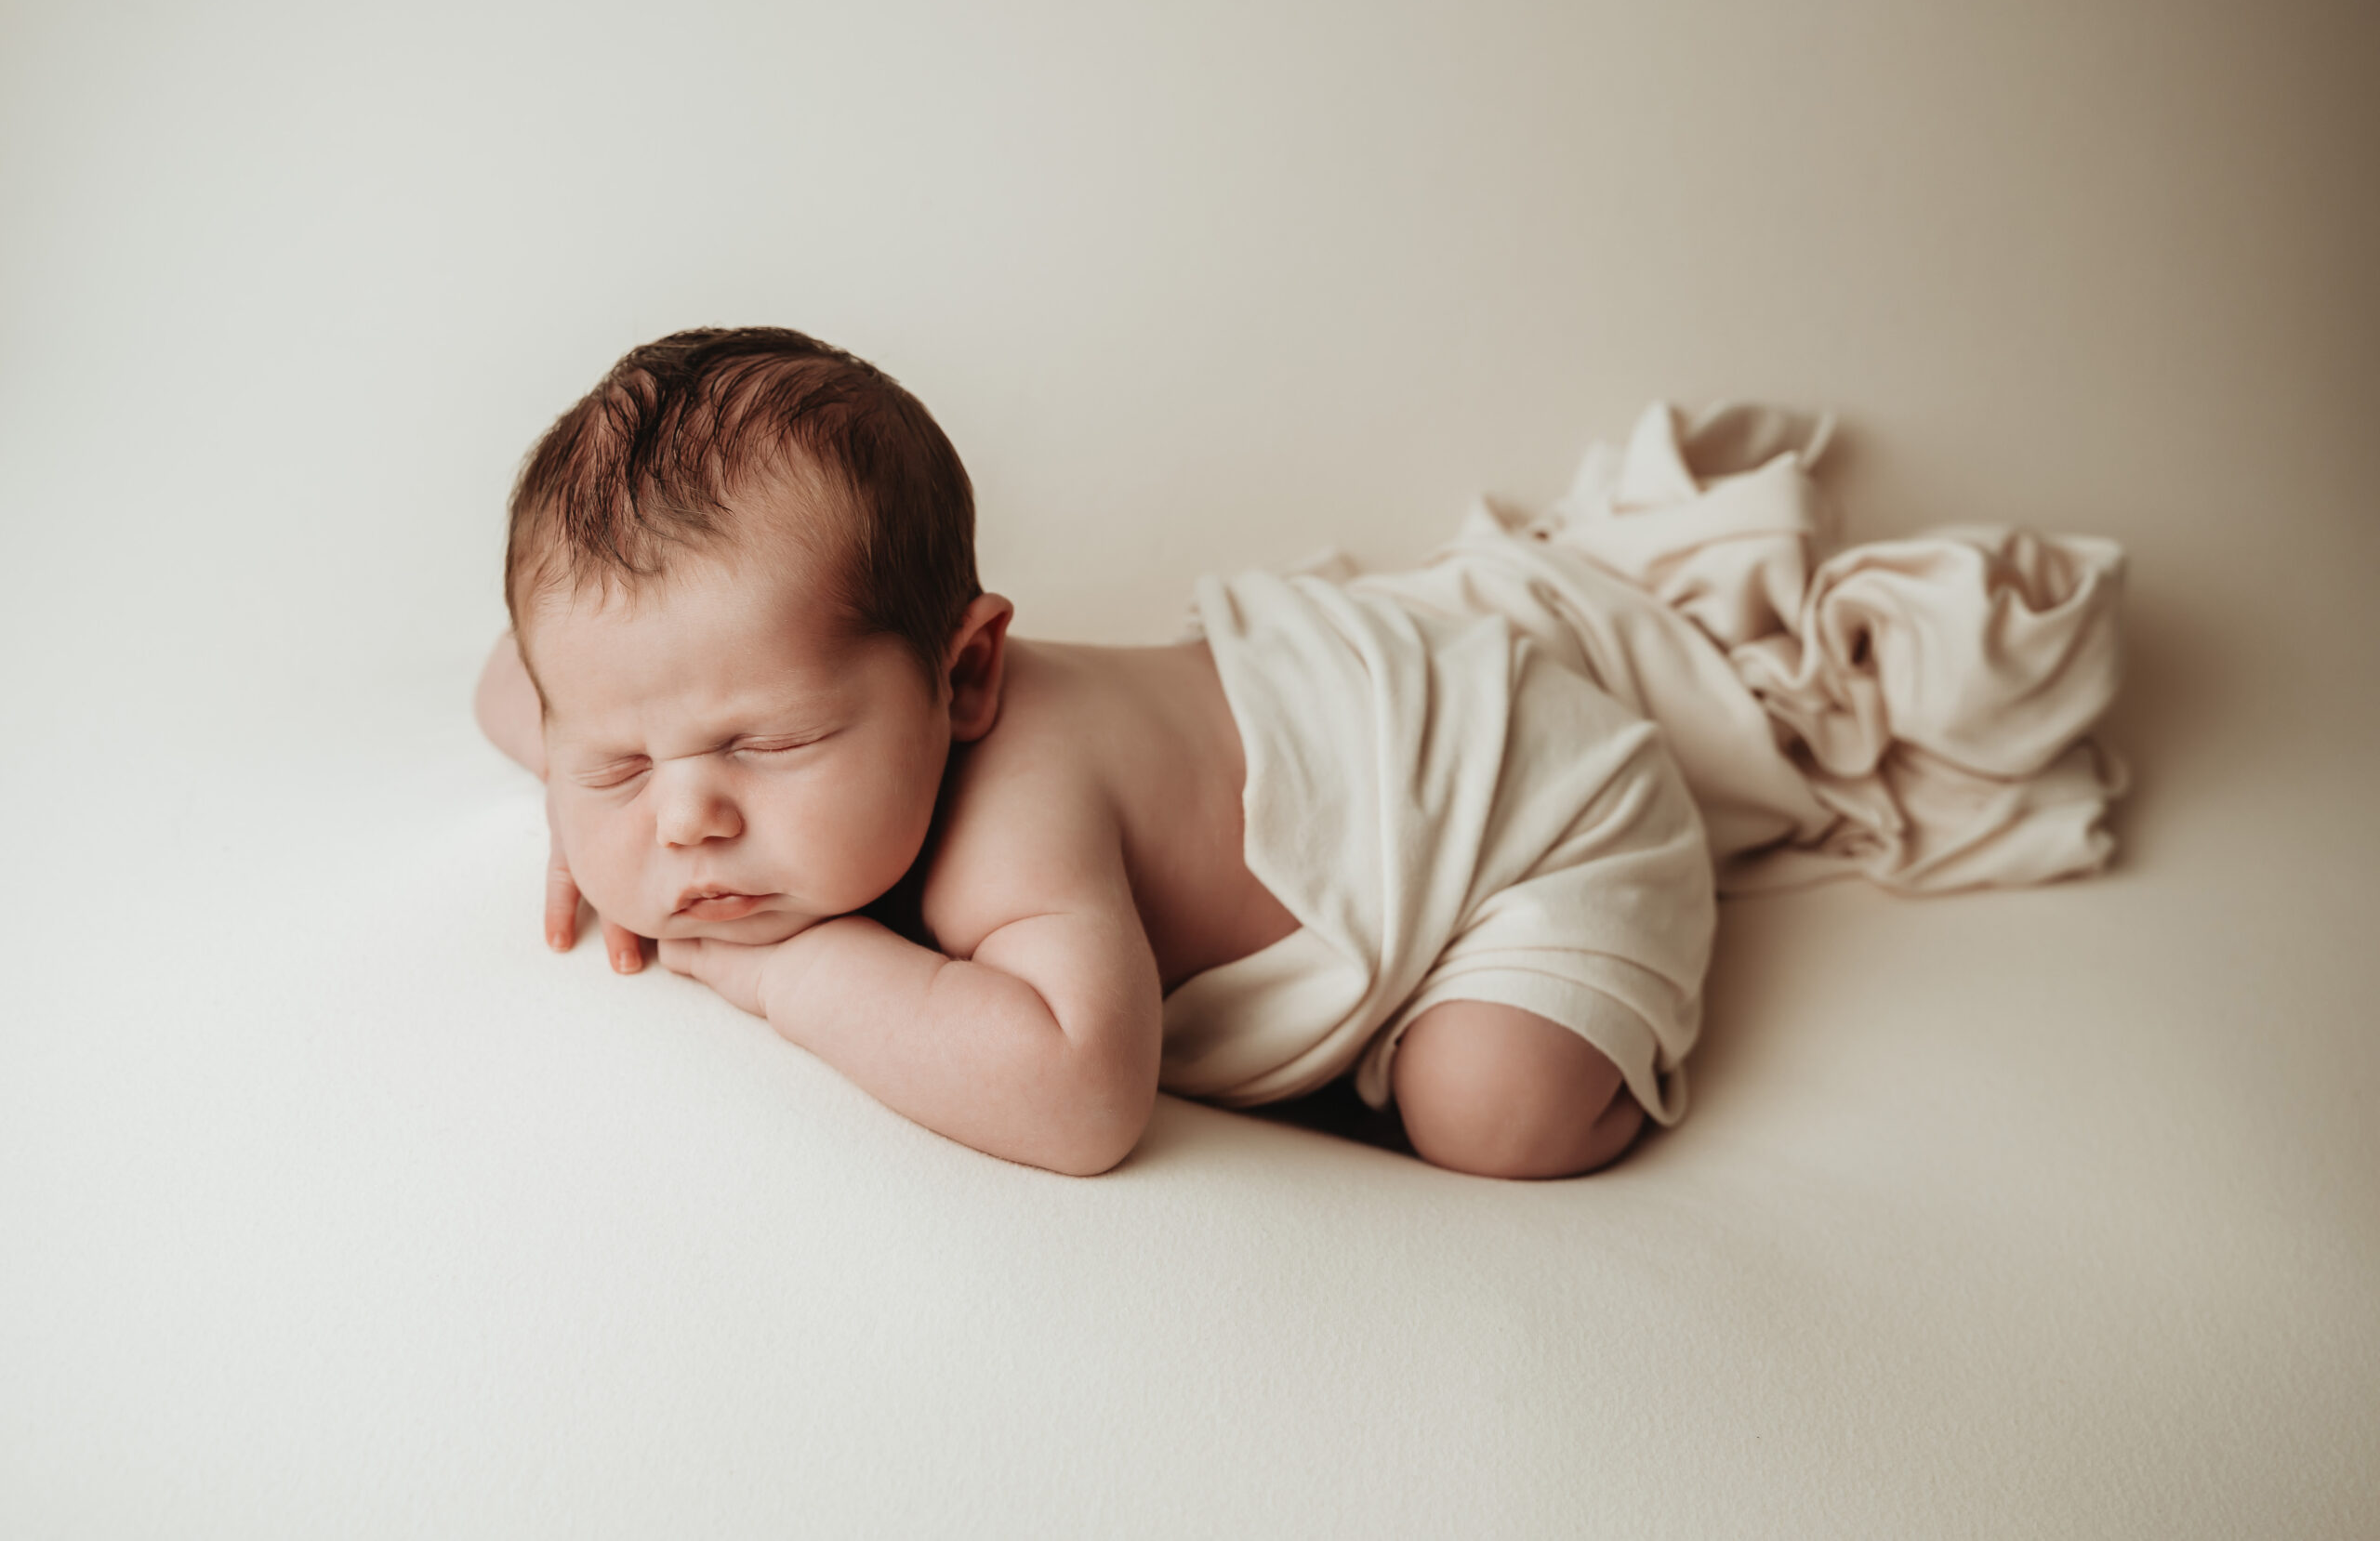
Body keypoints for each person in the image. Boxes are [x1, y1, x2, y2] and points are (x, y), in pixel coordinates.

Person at [474, 326, 1724, 1180]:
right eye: (620, 763)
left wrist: (790, 974)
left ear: (965, 676)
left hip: (1528, 805)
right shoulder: (678, 731)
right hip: (1328, 706)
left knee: (1489, 1109)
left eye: (767, 741)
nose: (687, 818)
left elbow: (1082, 1099)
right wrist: (584, 807)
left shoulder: (1018, 813)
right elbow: (508, 683)